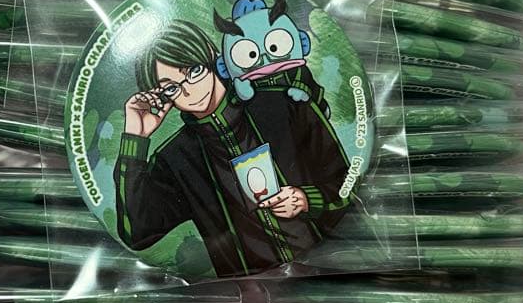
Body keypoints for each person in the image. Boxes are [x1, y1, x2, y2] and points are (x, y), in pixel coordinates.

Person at [114, 19, 351, 277]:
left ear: (211, 56)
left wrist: (306, 199)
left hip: (333, 265)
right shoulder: (174, 158)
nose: (189, 91)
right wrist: (135, 138)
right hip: (247, 290)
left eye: (194, 71)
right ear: (161, 96)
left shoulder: (285, 103)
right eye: (171, 88)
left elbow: (347, 181)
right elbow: (137, 234)